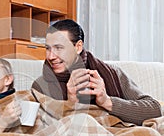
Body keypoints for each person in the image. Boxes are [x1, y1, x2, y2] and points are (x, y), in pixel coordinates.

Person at [32, 19, 162, 125]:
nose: (50, 56)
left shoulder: (111, 73)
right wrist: (72, 103)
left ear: (78, 47)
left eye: (59, 48)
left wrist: (107, 101)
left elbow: (154, 110)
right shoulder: (40, 86)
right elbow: (45, 133)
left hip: (118, 134)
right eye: (48, 49)